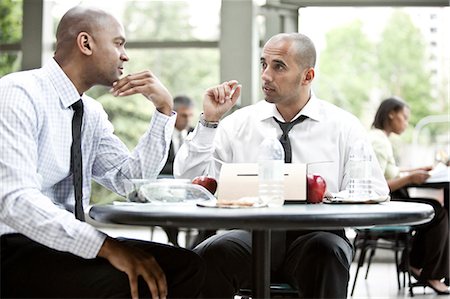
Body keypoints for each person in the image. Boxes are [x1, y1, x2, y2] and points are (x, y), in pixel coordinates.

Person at [0, 6, 205, 299]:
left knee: (187, 266)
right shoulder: (17, 93)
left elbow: (129, 181)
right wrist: (107, 247)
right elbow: (16, 201)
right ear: (86, 43)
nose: (125, 55)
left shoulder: (91, 113)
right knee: (131, 281)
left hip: (66, 247)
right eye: (119, 43)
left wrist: (163, 111)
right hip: (15, 247)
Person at [174, 32, 389, 298]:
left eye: (278, 67)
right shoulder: (237, 124)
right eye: (263, 64)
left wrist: (329, 198)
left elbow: (375, 192)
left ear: (307, 76)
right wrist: (209, 123)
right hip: (249, 237)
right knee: (208, 255)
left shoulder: (344, 127)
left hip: (316, 239)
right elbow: (188, 181)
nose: (265, 75)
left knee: (327, 251)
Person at [369, 97, 449, 295]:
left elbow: (390, 171)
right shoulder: (378, 141)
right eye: (404, 117)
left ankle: (416, 263)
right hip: (383, 202)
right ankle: (428, 271)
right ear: (391, 114)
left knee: (435, 211)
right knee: (436, 211)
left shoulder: (380, 138)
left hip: (389, 197)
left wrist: (417, 169)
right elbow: (375, 185)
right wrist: (411, 178)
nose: (406, 123)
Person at [160, 95, 195, 176]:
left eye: (190, 115)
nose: (188, 120)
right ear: (173, 113)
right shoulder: (162, 134)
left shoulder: (196, 134)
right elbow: (157, 165)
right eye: (184, 115)